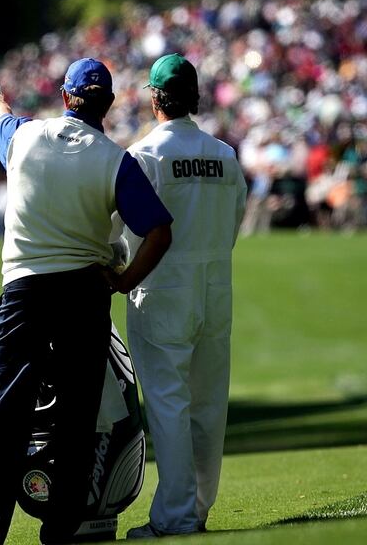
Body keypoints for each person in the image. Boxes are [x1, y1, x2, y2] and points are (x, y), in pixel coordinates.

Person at [0, 60, 174, 545]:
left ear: (65, 96)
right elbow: (159, 232)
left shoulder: (26, 137)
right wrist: (124, 279)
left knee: (6, 416)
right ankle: (60, 532)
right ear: (109, 103)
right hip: (84, 293)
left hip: (26, 292)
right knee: (76, 420)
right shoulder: (115, 161)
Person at [120, 54, 247, 539]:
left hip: (161, 286)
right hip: (215, 284)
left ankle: (175, 516)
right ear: (194, 97)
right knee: (208, 401)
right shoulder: (225, 154)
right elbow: (234, 222)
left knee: (168, 402)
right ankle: (197, 507)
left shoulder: (144, 156)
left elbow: (122, 232)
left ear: (154, 98)